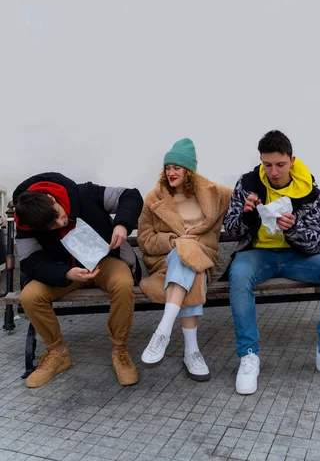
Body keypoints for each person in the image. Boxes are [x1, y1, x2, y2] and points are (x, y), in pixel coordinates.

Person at [223, 130, 320, 395]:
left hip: (299, 256)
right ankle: (249, 356)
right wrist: (248, 217)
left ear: (291, 160)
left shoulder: (308, 187)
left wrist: (293, 228)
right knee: (238, 275)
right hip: (258, 253)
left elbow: (317, 240)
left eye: (280, 165)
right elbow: (231, 229)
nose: (273, 171)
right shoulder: (248, 182)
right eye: (267, 164)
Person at [13, 172, 143, 388]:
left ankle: (120, 349)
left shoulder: (84, 193)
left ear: (52, 199)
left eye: (57, 214)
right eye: (51, 226)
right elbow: (30, 261)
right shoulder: (27, 223)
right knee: (30, 296)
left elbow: (130, 195)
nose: (60, 222)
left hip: (105, 261)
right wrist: (65, 273)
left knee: (122, 283)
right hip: (66, 270)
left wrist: (122, 224)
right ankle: (58, 352)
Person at [138, 138, 232, 381]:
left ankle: (163, 332)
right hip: (164, 262)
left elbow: (243, 196)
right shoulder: (154, 198)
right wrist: (171, 241)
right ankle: (191, 351)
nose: (171, 173)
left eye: (176, 168)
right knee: (188, 258)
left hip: (203, 257)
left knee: (191, 255)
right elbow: (145, 238)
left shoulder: (212, 193)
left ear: (188, 171)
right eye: (168, 168)